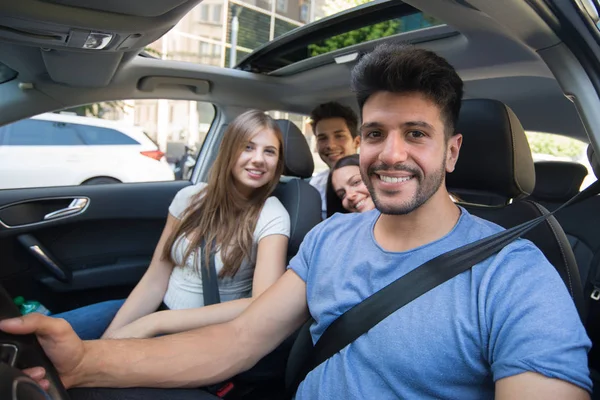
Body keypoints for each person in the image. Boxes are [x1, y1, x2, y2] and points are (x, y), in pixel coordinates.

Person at [1, 43, 592, 399]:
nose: (391, 154)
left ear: (453, 152)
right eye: (375, 133)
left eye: (417, 134)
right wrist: (89, 362)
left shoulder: (514, 274)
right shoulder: (332, 237)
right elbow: (235, 340)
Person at [54, 109, 290, 341]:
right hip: (158, 310)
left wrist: (155, 323)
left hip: (206, 335)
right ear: (228, 150)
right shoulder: (189, 198)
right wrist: (110, 340)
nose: (258, 159)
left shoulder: (271, 213)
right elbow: (155, 279)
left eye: (269, 152)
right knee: (44, 338)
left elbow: (261, 304)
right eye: (248, 147)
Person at [308, 102, 360, 219]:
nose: (330, 145)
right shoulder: (316, 185)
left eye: (339, 136)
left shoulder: (375, 178)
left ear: (356, 142)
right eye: (322, 138)